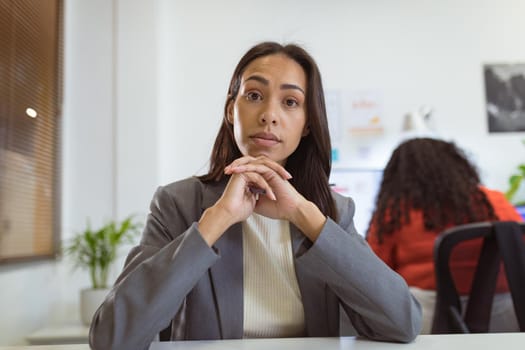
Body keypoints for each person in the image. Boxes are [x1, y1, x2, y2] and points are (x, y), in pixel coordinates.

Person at [89, 42, 421, 350]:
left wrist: (305, 216)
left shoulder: (332, 211)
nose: (269, 115)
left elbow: (403, 323)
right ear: (231, 110)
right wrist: (216, 220)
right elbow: (113, 337)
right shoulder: (178, 203)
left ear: (307, 124)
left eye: (290, 102)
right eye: (253, 95)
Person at [366, 137, 523, 334]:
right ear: (458, 166)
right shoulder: (494, 201)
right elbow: (519, 252)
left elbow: (372, 273)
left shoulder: (397, 213)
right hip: (504, 313)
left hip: (429, 317)